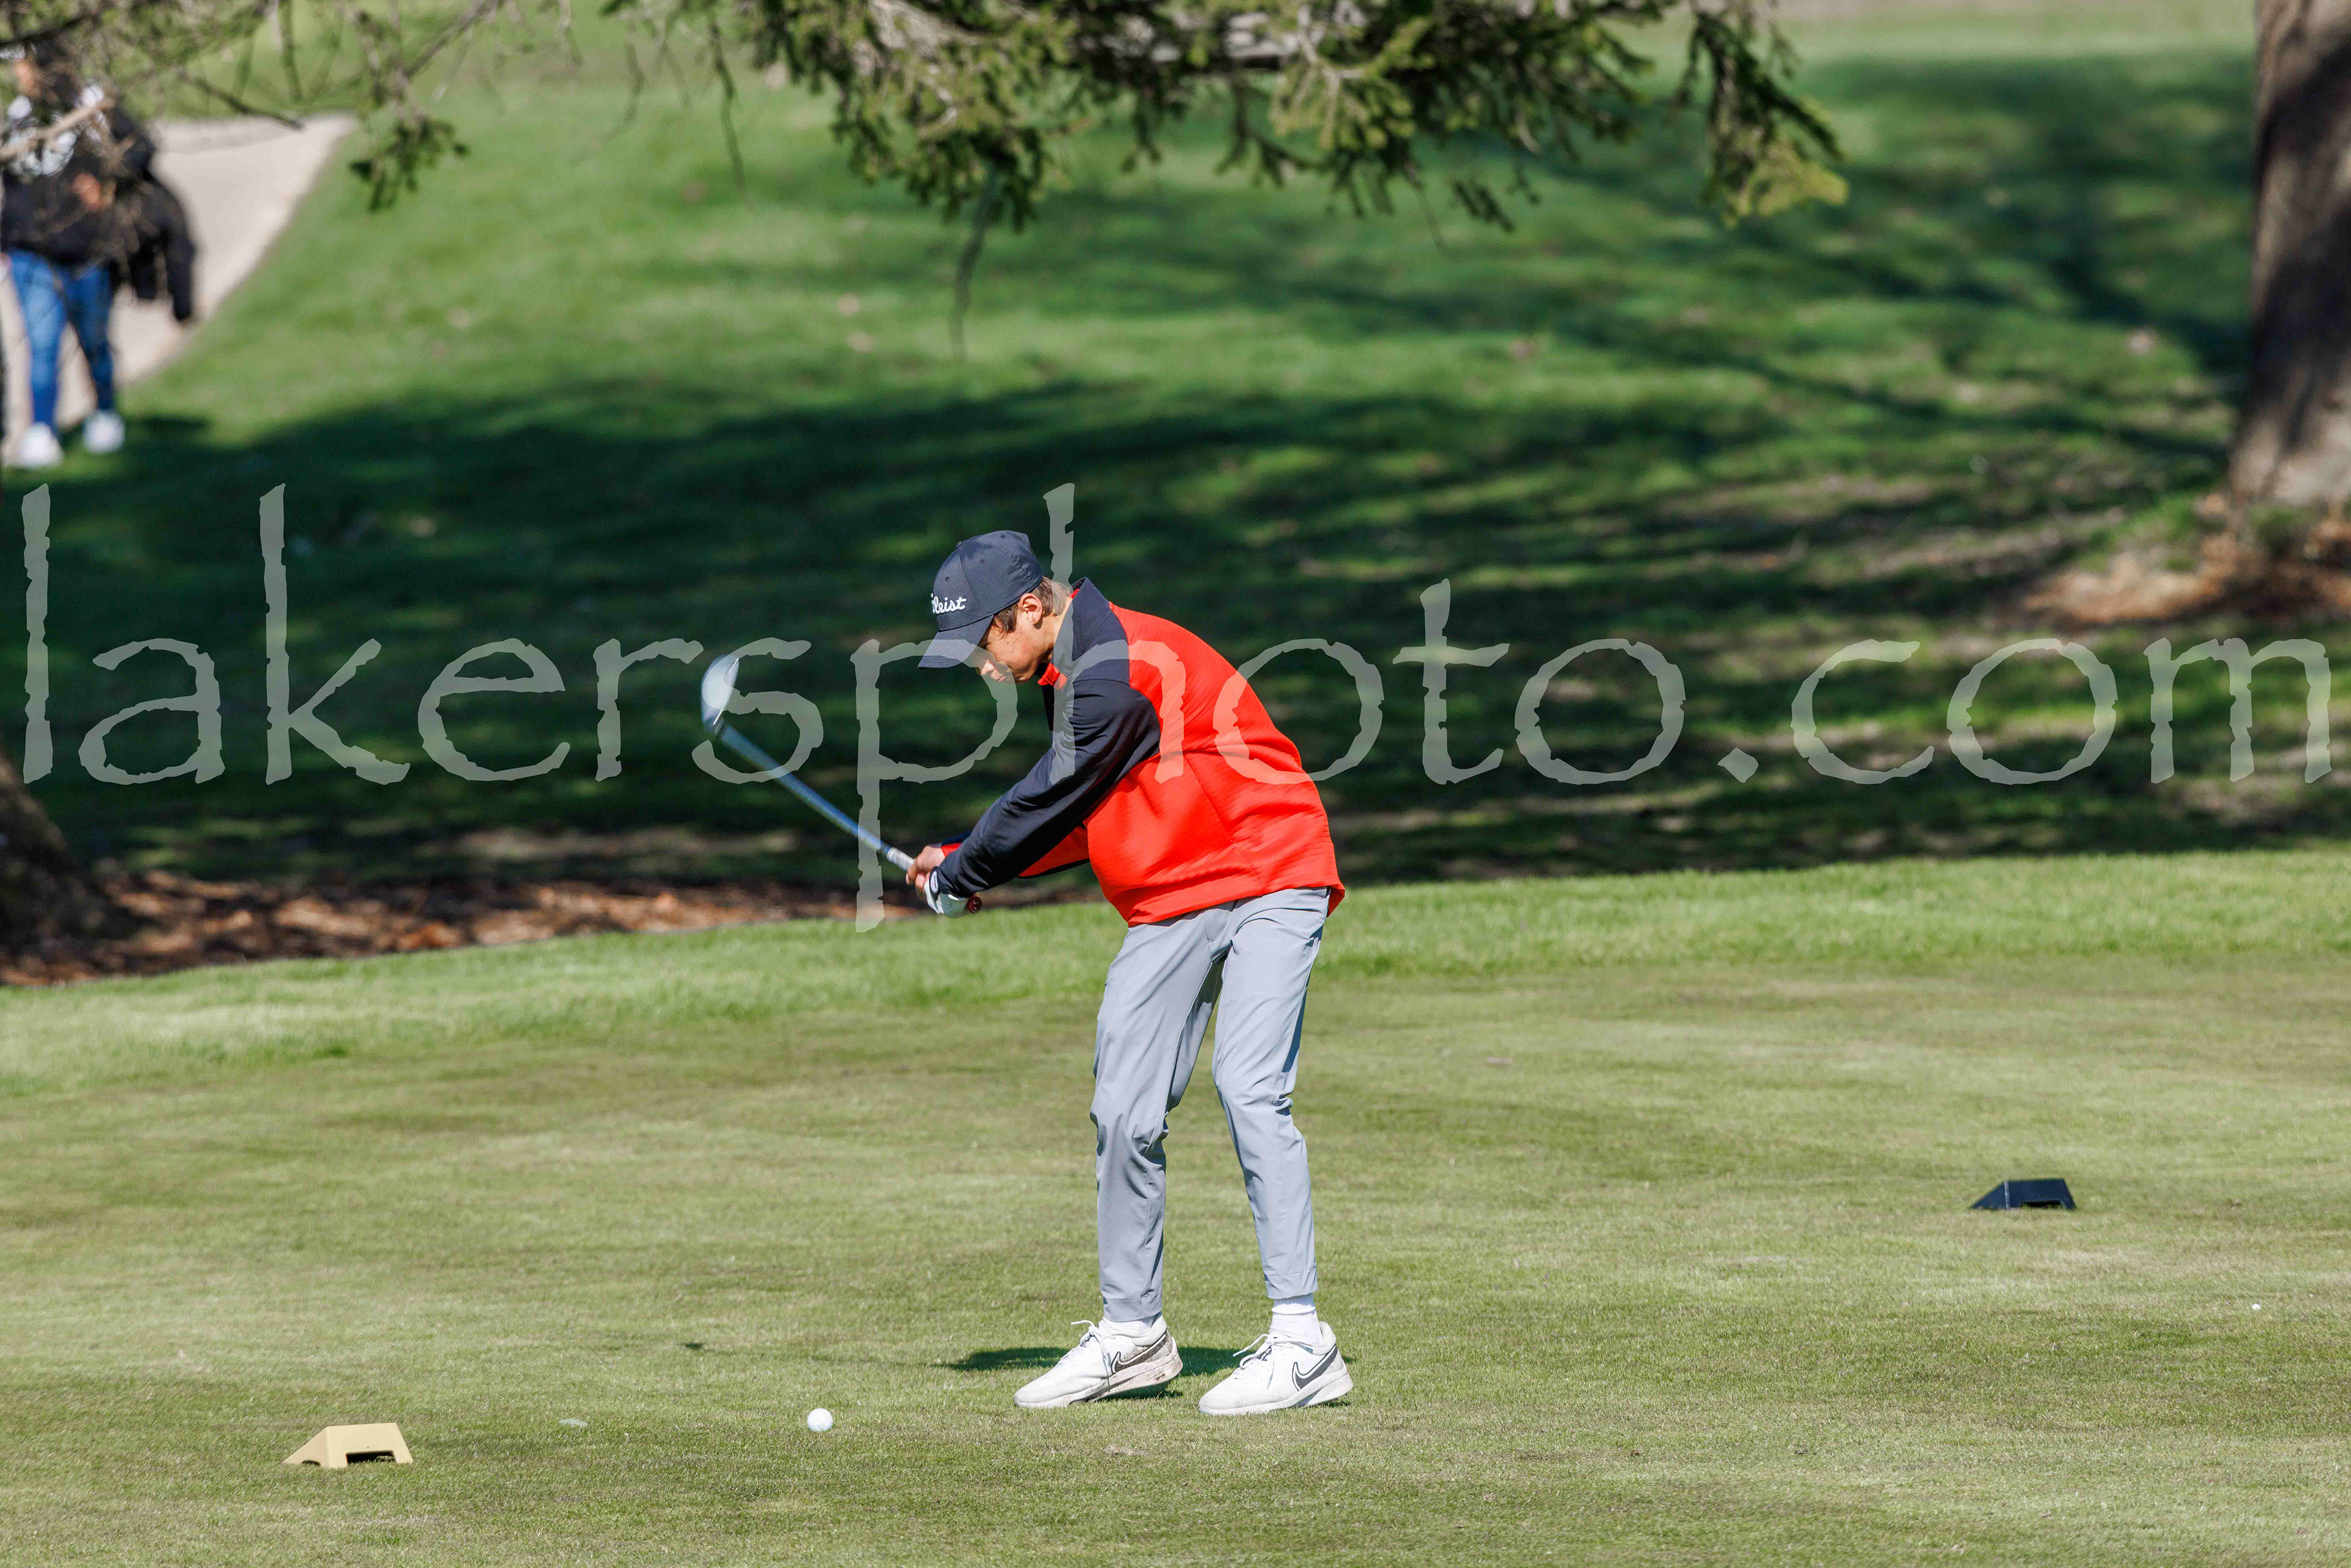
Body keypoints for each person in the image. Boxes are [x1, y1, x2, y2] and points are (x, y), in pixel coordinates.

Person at [907, 530, 1352, 1416]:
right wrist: (963, 860)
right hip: (1172, 895)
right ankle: (1134, 1333)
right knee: (1122, 1107)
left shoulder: (1119, 667)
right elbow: (1081, 812)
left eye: (984, 642)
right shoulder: (1074, 674)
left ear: (1029, 608)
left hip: (1268, 869)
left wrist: (965, 873)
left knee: (1249, 1085)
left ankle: (1304, 1340)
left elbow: (1052, 792)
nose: (981, 665)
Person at [1, 43, 156, 468]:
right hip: (29, 253)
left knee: (94, 341)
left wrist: (108, 184)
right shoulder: (18, 115)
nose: (18, 74)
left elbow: (141, 147)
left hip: (86, 252)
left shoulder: (90, 106)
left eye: (24, 66)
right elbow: (11, 185)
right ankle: (42, 430)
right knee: (42, 346)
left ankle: (105, 412)